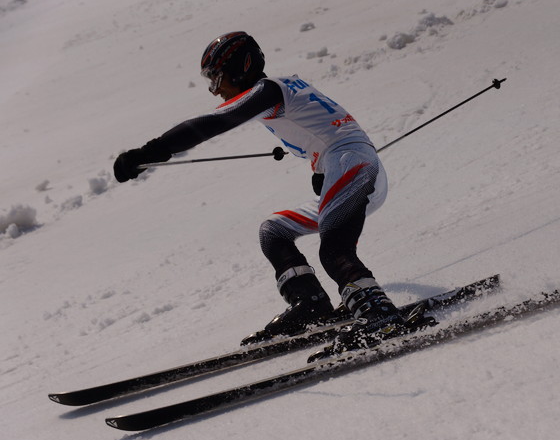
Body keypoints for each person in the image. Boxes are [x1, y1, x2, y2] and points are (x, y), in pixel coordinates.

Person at [113, 31, 411, 353]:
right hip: (346, 168)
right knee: (274, 230)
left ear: (241, 67)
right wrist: (322, 170)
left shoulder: (267, 90)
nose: (215, 89)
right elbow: (325, 128)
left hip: (354, 166)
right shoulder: (277, 92)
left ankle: (380, 315)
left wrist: (149, 152)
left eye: (216, 78)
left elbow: (213, 122)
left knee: (333, 249)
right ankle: (310, 304)